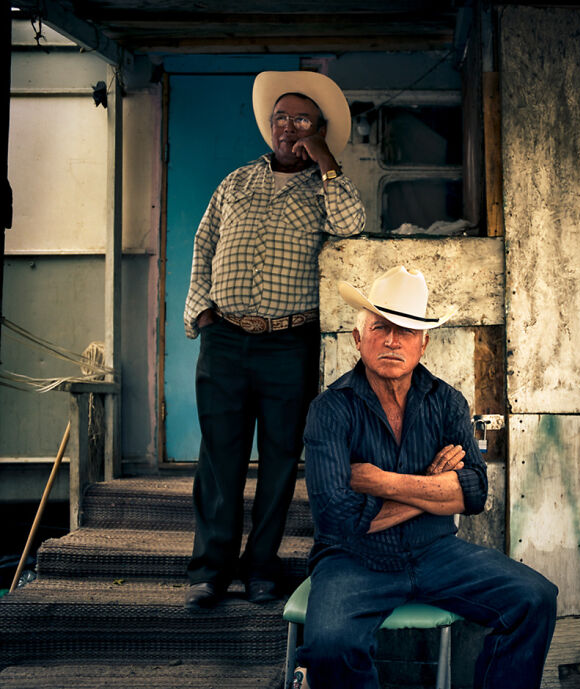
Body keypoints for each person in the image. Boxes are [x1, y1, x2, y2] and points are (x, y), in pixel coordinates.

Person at [295, 265, 558, 689]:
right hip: (353, 561)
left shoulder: (447, 401)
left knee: (534, 598)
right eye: (381, 327)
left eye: (406, 331)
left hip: (435, 552)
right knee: (329, 648)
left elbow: (473, 492)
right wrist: (435, 489)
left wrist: (382, 481)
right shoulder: (330, 410)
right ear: (358, 339)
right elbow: (336, 519)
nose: (393, 340)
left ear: (424, 343)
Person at [182, 71, 366, 611]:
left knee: (281, 461)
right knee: (220, 460)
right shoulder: (235, 182)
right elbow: (203, 245)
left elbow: (353, 227)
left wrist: (327, 162)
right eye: (280, 118)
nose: (287, 128)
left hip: (288, 345)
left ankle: (262, 569)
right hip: (225, 343)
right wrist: (203, 313)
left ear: (319, 130)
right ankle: (209, 571)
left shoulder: (327, 187)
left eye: (301, 120)